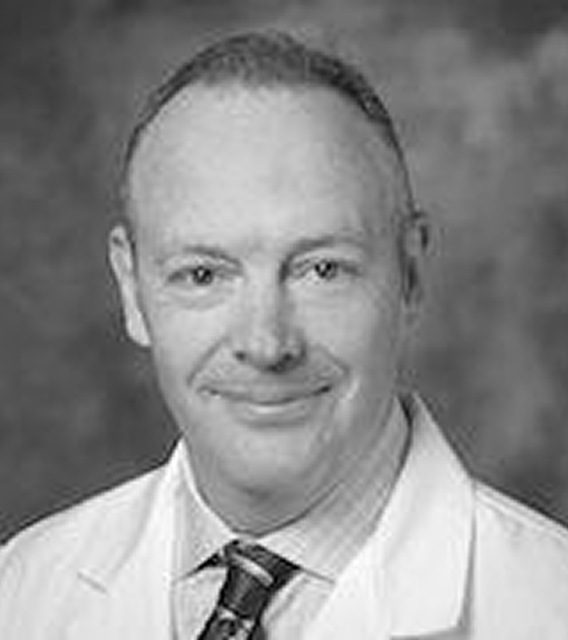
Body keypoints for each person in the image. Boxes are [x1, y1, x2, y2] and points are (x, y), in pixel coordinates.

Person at [0, 31, 567, 640]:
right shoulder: (22, 590)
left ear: (409, 275)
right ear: (132, 290)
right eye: (203, 274)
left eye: (322, 269)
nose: (267, 345)